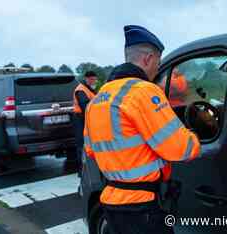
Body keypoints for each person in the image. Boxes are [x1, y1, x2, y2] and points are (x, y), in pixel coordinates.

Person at [83, 25, 203, 234]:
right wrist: (196, 131)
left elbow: (91, 150)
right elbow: (182, 149)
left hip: (111, 203)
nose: (157, 69)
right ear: (147, 59)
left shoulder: (98, 98)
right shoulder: (143, 92)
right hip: (142, 208)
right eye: (157, 62)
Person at [73, 71, 97, 175]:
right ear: (86, 79)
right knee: (82, 144)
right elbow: (86, 107)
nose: (94, 81)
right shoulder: (81, 90)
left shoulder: (89, 89)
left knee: (88, 144)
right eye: (92, 79)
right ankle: (82, 170)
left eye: (95, 79)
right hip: (80, 119)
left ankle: (89, 168)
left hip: (86, 119)